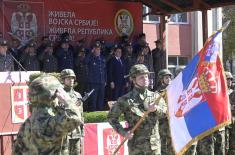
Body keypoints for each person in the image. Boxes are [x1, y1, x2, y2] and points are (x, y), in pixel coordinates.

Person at [12, 74, 83, 154]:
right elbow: (75, 118)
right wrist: (67, 101)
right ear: (52, 96)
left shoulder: (28, 123)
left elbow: (16, 151)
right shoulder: (50, 122)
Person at [108, 64, 166, 155]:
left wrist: (156, 109)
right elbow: (111, 118)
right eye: (141, 77)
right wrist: (124, 132)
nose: (145, 79)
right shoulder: (125, 100)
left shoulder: (156, 96)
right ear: (133, 80)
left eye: (146, 76)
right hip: (136, 147)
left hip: (154, 146)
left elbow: (165, 113)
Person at [60, 69, 84, 155]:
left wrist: (82, 131)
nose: (71, 80)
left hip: (76, 132)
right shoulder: (60, 95)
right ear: (63, 80)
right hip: (64, 133)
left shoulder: (78, 95)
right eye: (68, 78)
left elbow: (81, 114)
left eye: (73, 78)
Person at [156, 69, 174, 155]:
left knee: (173, 144)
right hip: (163, 122)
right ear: (161, 79)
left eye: (170, 78)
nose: (169, 79)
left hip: (173, 121)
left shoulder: (175, 89)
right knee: (163, 144)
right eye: (166, 78)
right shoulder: (158, 93)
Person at [85, 41, 106, 111]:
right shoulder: (91, 58)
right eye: (96, 49)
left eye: (99, 49)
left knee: (100, 99)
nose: (98, 51)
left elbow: (105, 70)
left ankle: (99, 112)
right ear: (94, 50)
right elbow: (85, 61)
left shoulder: (102, 58)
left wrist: (105, 80)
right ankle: (93, 113)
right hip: (93, 82)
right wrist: (91, 52)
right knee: (93, 100)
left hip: (101, 82)